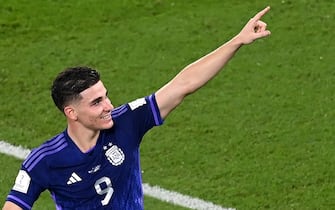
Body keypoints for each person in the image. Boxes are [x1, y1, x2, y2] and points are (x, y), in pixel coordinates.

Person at [3, 6, 271, 210]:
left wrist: (237, 41)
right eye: (96, 102)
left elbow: (183, 84)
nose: (109, 106)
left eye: (105, 96)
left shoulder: (127, 122)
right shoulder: (44, 161)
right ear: (71, 112)